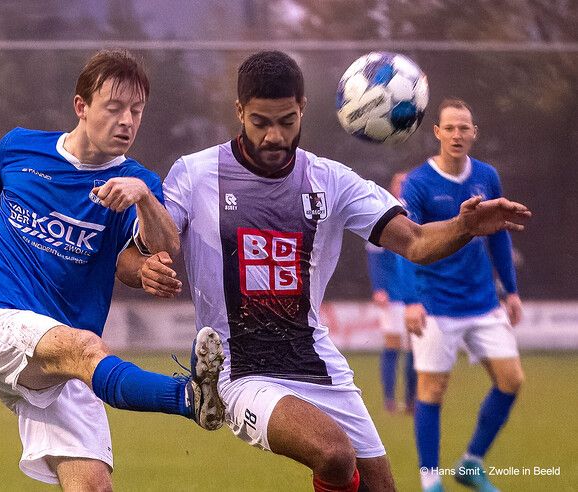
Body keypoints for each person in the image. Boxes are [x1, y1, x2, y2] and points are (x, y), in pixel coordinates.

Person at [139, 51, 530, 492]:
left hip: (317, 362)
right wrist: (147, 239)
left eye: (286, 121)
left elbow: (416, 242)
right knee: (334, 454)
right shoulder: (194, 174)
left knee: (381, 488)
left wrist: (465, 226)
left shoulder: (332, 180)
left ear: (303, 108)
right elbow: (156, 242)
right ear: (239, 113)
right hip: (239, 367)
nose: (274, 136)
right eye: (260, 122)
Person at [0, 49, 225, 490]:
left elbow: (160, 249)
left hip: (62, 360)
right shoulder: (19, 148)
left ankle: (190, 398)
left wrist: (143, 198)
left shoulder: (135, 182)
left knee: (92, 486)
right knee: (87, 347)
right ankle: (188, 397)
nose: (127, 121)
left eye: (136, 111)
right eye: (114, 107)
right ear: (81, 107)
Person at [402, 98, 525, 492]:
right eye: (449, 128)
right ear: (437, 132)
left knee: (511, 380)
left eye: (464, 128)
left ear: (474, 133)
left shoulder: (487, 176)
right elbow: (405, 243)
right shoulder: (418, 183)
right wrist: (411, 300)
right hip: (435, 303)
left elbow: (500, 235)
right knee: (431, 390)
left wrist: (512, 291)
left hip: (483, 301)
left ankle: (471, 463)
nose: (457, 134)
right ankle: (430, 481)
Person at [365, 172, 417, 414]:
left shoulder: (419, 215)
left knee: (414, 348)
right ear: (392, 188)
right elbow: (374, 257)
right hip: (393, 294)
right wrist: (379, 288)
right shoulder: (384, 215)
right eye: (400, 183)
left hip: (415, 295)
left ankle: (410, 401)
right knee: (393, 344)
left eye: (408, 183)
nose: (404, 187)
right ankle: (389, 399)